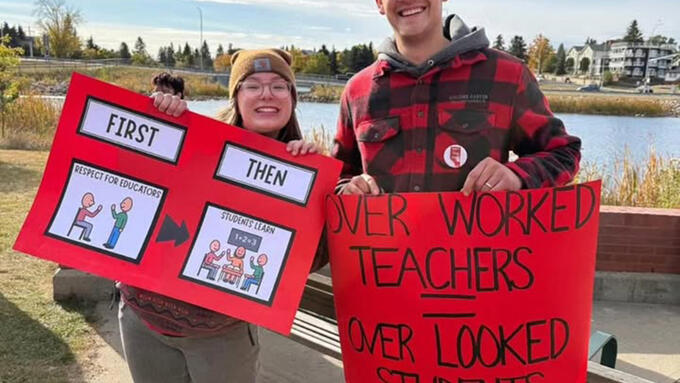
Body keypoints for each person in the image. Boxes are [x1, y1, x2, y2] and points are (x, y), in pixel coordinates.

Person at [117, 49, 319, 383]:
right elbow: (129, 175)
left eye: (279, 86)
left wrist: (314, 188)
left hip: (222, 335)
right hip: (142, 319)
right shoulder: (194, 141)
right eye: (252, 85)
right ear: (236, 96)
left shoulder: (303, 171)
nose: (266, 94)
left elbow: (306, 259)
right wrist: (158, 119)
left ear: (292, 99)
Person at [333, 2, 581, 197]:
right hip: (384, 259)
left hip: (475, 259)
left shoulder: (506, 75)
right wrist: (349, 189)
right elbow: (338, 178)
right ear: (379, 3)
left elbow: (563, 153)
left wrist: (516, 176)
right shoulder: (358, 91)